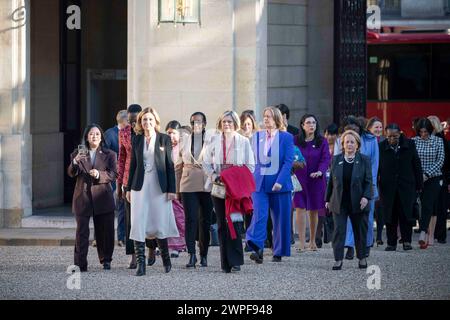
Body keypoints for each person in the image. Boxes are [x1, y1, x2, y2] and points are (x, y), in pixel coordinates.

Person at [125, 107, 179, 275]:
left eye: (150, 119)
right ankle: (141, 264)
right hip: (139, 187)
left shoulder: (164, 139)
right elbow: (133, 165)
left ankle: (165, 258)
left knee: (159, 221)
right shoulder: (137, 140)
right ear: (140, 122)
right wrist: (127, 188)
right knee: (138, 222)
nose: (147, 123)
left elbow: (170, 166)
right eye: (144, 120)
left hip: (159, 186)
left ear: (155, 122)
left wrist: (172, 189)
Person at [203, 110, 256, 273]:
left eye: (230, 122)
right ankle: (225, 262)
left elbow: (250, 165)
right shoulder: (213, 140)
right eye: (224, 121)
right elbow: (205, 162)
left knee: (235, 221)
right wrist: (213, 176)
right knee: (221, 223)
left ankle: (236, 260)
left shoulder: (243, 141)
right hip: (218, 185)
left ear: (235, 124)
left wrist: (233, 176)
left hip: (235, 188)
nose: (226, 124)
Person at [246, 106, 294, 263]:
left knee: (280, 219)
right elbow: (252, 160)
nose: (266, 119)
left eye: (270, 116)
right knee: (260, 214)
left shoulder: (286, 137)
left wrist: (280, 181)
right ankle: (257, 247)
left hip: (279, 184)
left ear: (277, 119)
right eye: (264, 116)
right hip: (259, 184)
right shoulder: (257, 136)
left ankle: (278, 251)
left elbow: (288, 162)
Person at [67, 124, 117, 272]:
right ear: (86, 137)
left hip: (103, 196)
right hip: (83, 196)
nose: (94, 136)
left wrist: (99, 175)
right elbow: (71, 173)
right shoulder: (78, 153)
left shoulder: (110, 154)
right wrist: (75, 161)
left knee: (105, 232)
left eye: (97, 134)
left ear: (101, 136)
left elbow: (114, 174)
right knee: (81, 232)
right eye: (91, 134)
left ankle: (106, 260)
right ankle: (80, 263)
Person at [326, 130, 372, 270]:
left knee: (360, 231)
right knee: (339, 231)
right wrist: (327, 199)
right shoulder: (336, 159)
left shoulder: (364, 160)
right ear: (343, 144)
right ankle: (338, 259)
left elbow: (369, 181)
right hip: (339, 201)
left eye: (352, 142)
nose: (349, 144)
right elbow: (331, 183)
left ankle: (362, 257)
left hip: (358, 201)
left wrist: (366, 197)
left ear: (357, 145)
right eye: (347, 142)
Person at [335, 116, 379, 260]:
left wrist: (369, 188)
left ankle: (366, 245)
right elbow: (337, 163)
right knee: (348, 219)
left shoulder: (371, 140)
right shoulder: (341, 140)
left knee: (367, 218)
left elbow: (374, 165)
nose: (352, 131)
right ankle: (349, 246)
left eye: (354, 128)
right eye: (348, 129)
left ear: (360, 128)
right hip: (347, 186)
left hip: (366, 185)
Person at [117, 104, 154, 269]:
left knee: (149, 217)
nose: (132, 123)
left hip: (147, 178)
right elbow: (122, 158)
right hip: (128, 181)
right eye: (130, 120)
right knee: (130, 220)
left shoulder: (147, 132)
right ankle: (134, 256)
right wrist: (119, 185)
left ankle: (152, 248)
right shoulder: (123, 132)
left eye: (135, 120)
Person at [379, 124, 423, 251]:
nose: (392, 139)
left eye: (395, 136)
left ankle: (407, 241)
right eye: (389, 137)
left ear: (400, 134)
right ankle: (391, 243)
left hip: (407, 186)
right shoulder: (381, 147)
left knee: (406, 214)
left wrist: (419, 185)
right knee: (390, 215)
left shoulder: (409, 145)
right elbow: (377, 168)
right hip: (388, 187)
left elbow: (416, 164)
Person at [178, 112, 214, 268]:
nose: (195, 125)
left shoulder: (213, 140)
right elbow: (178, 164)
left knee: (205, 220)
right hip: (188, 182)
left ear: (204, 123)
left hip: (207, 182)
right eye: (193, 122)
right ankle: (191, 255)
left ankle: (204, 254)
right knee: (190, 219)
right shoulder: (184, 139)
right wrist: (176, 187)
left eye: (199, 122)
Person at [293, 114, 331, 252]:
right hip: (299, 179)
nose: (311, 125)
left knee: (314, 210)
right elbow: (291, 155)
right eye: (308, 123)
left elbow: (326, 158)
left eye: (314, 122)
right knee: (300, 209)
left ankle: (313, 241)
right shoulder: (295, 140)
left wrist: (321, 171)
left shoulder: (322, 141)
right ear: (302, 125)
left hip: (316, 179)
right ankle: (302, 243)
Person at [412, 118, 445, 249]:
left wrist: (427, 174)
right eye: (421, 132)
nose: (423, 134)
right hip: (418, 178)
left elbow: (440, 160)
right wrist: (419, 176)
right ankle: (423, 231)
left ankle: (423, 232)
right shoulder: (413, 141)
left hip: (434, 178)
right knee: (419, 206)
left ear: (430, 131)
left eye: (425, 132)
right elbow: (412, 160)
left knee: (428, 203)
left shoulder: (438, 141)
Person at [104, 110, 128, 247]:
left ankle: (121, 237)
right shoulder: (110, 134)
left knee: (122, 208)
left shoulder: (129, 133)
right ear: (124, 121)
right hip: (111, 176)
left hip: (124, 175)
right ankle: (99, 238)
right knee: (107, 208)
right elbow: (104, 154)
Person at [165, 120, 187, 257]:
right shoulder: (163, 146)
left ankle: (179, 244)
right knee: (167, 217)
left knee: (179, 217)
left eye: (174, 133)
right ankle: (167, 245)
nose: (171, 136)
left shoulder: (184, 148)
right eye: (169, 133)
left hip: (180, 185)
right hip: (166, 188)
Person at [427, 116, 449, 245]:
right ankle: (437, 234)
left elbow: (444, 162)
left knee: (439, 207)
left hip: (440, 177)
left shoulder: (440, 140)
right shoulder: (440, 139)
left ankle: (439, 235)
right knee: (438, 207)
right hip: (440, 177)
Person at [366, 116, 385, 246]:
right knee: (372, 208)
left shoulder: (385, 140)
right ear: (369, 128)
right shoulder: (366, 141)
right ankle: (370, 236)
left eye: (380, 127)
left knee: (381, 208)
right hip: (371, 177)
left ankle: (379, 235)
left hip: (382, 178)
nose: (379, 129)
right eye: (376, 127)